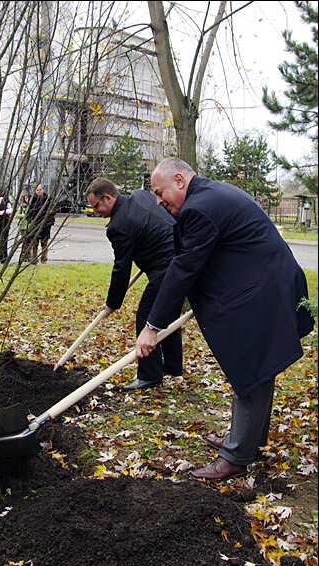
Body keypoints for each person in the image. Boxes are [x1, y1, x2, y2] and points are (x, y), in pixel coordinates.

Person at [136, 157, 314, 481]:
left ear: (179, 180)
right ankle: (246, 440)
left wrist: (152, 327)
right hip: (266, 282)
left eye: (160, 193)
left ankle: (236, 456)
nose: (158, 201)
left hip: (264, 290)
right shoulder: (211, 194)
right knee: (256, 368)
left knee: (252, 368)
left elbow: (183, 269)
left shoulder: (199, 207)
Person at [85, 177, 183, 390]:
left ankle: (149, 375)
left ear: (108, 198)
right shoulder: (141, 196)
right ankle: (174, 366)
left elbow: (121, 268)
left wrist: (112, 303)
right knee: (167, 313)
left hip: (165, 267)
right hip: (181, 256)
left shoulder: (117, 226)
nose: (95, 211)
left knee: (147, 317)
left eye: (95, 206)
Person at [27, 184, 55, 265]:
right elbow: (29, 212)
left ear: (43, 190)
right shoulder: (32, 199)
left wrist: (49, 223)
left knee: (44, 244)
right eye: (37, 190)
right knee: (34, 244)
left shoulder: (48, 199)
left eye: (40, 190)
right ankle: (34, 261)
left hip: (45, 225)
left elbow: (52, 212)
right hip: (35, 225)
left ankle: (44, 260)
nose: (39, 191)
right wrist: (31, 222)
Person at [16, 192, 31, 262]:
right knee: (24, 243)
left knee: (29, 243)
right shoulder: (22, 207)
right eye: (25, 198)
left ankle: (29, 256)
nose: (27, 199)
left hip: (30, 226)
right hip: (23, 227)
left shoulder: (32, 206)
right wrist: (24, 215)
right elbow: (17, 215)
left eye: (28, 198)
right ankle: (23, 256)